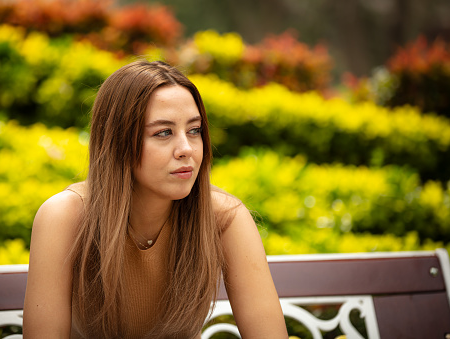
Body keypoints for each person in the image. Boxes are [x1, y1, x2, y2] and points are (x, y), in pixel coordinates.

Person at [23, 60, 288, 338]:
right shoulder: (64, 216)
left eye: (194, 130)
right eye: (163, 133)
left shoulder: (224, 217)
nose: (186, 149)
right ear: (118, 142)